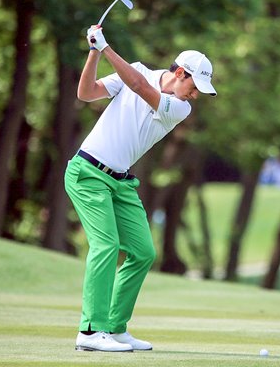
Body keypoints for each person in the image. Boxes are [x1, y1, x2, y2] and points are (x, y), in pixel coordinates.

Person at [65, 25, 216, 352]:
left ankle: (115, 328)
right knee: (106, 245)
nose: (195, 95)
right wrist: (94, 51)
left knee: (143, 252)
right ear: (179, 73)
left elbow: (138, 85)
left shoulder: (180, 108)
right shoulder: (136, 71)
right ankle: (90, 331)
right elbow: (86, 93)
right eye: (194, 87)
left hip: (120, 182)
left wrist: (106, 48)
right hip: (88, 171)